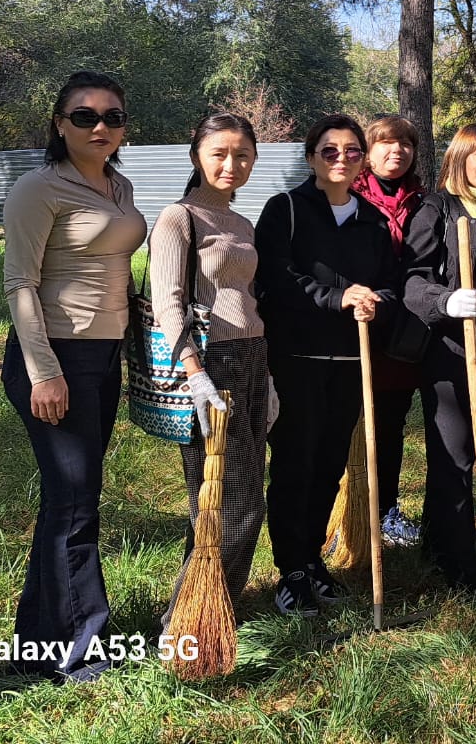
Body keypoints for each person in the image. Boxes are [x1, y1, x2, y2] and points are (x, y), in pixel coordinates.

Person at [1, 70, 147, 682]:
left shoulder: (120, 186)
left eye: (112, 116)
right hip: (54, 359)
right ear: (60, 125)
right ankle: (76, 647)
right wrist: (44, 373)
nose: (100, 127)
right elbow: (20, 284)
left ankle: (37, 635)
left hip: (104, 357)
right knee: (75, 501)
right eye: (84, 116)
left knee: (72, 498)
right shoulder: (39, 189)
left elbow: (119, 265)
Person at [256, 113, 398, 616]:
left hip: (350, 361)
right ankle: (290, 569)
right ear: (312, 156)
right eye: (330, 150)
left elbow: (389, 284)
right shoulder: (286, 210)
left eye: (352, 151)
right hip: (296, 359)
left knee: (330, 467)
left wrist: (372, 300)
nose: (342, 159)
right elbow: (277, 279)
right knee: (296, 464)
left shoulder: (373, 221)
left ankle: (313, 557)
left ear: (363, 160)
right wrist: (336, 298)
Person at [395, 123, 476, 591]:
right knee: (456, 458)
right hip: (450, 353)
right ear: (460, 158)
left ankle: (436, 542)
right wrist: (444, 300)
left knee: (467, 452)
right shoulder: (437, 210)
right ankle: (459, 566)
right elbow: (410, 280)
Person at [153, 113, 272, 629]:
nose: (232, 164)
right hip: (208, 365)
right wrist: (195, 374)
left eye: (242, 154)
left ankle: (205, 606)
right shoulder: (178, 218)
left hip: (252, 359)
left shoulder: (243, 224)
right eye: (220, 153)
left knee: (224, 497)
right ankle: (193, 616)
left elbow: (247, 298)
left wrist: (266, 379)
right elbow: (167, 303)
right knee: (235, 503)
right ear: (196, 157)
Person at [352, 115, 428, 547]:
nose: (395, 151)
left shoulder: (422, 202)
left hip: (401, 330)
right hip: (353, 325)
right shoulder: (348, 196)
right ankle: (344, 509)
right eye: (385, 143)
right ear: (368, 150)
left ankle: (384, 510)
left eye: (404, 144)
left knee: (390, 422)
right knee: (347, 424)